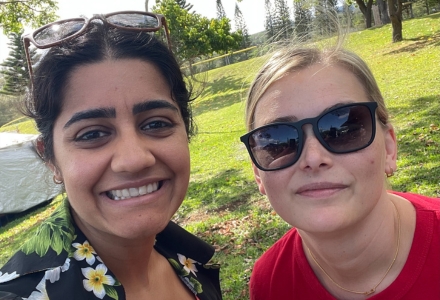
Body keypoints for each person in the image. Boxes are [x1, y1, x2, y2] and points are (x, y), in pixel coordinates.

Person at [0, 11, 222, 300]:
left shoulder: (186, 256)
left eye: (156, 124)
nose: (134, 159)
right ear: (50, 159)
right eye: (92, 134)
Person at [240, 43, 440, 299]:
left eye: (344, 128)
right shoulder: (270, 282)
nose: (313, 158)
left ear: (389, 148)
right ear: (258, 173)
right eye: (277, 141)